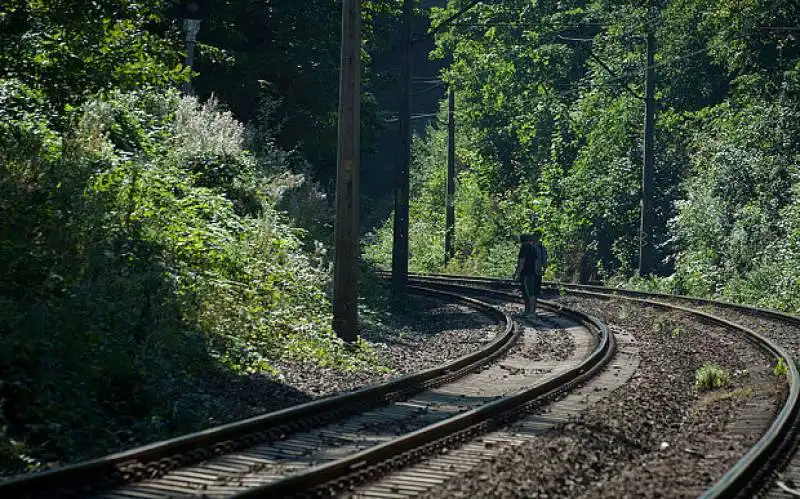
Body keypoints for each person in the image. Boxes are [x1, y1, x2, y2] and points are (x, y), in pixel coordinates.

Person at [513, 232, 547, 317]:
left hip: (527, 273)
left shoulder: (524, 247)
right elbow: (537, 261)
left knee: (528, 293)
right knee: (534, 293)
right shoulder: (536, 248)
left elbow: (522, 261)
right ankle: (530, 310)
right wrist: (538, 271)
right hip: (535, 273)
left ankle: (530, 312)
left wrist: (517, 273)